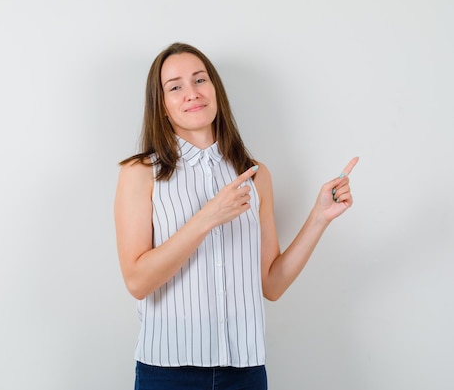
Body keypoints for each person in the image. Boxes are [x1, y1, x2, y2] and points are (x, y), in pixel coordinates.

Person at [114, 42, 358, 390]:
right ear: (163, 106)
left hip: (244, 372)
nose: (192, 93)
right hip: (167, 373)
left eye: (200, 80)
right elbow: (137, 281)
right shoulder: (140, 173)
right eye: (175, 86)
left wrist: (320, 217)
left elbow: (271, 285)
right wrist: (207, 217)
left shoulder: (256, 175)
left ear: (215, 90)